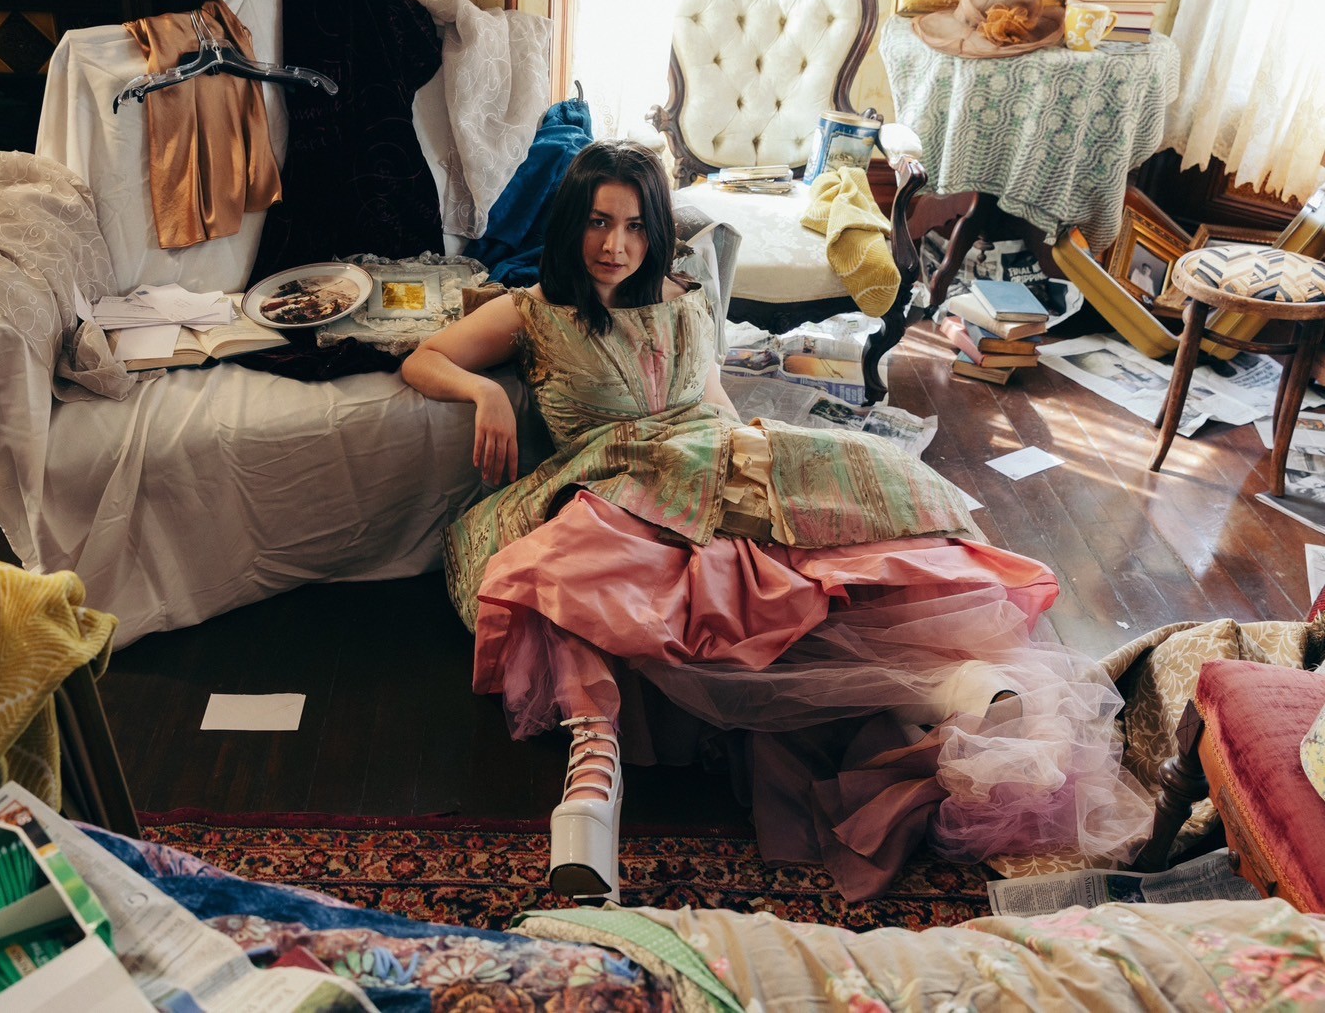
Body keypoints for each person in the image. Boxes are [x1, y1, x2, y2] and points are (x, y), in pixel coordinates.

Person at [400, 140, 1150, 903]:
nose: (615, 244)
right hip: (607, 480)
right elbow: (424, 358)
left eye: (633, 225)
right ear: (571, 224)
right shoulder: (531, 310)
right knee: (576, 567)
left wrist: (757, 476)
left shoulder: (685, 299)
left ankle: (937, 686)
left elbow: (714, 404)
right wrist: (484, 393)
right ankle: (593, 772)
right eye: (598, 222)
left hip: (708, 460)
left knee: (817, 547)